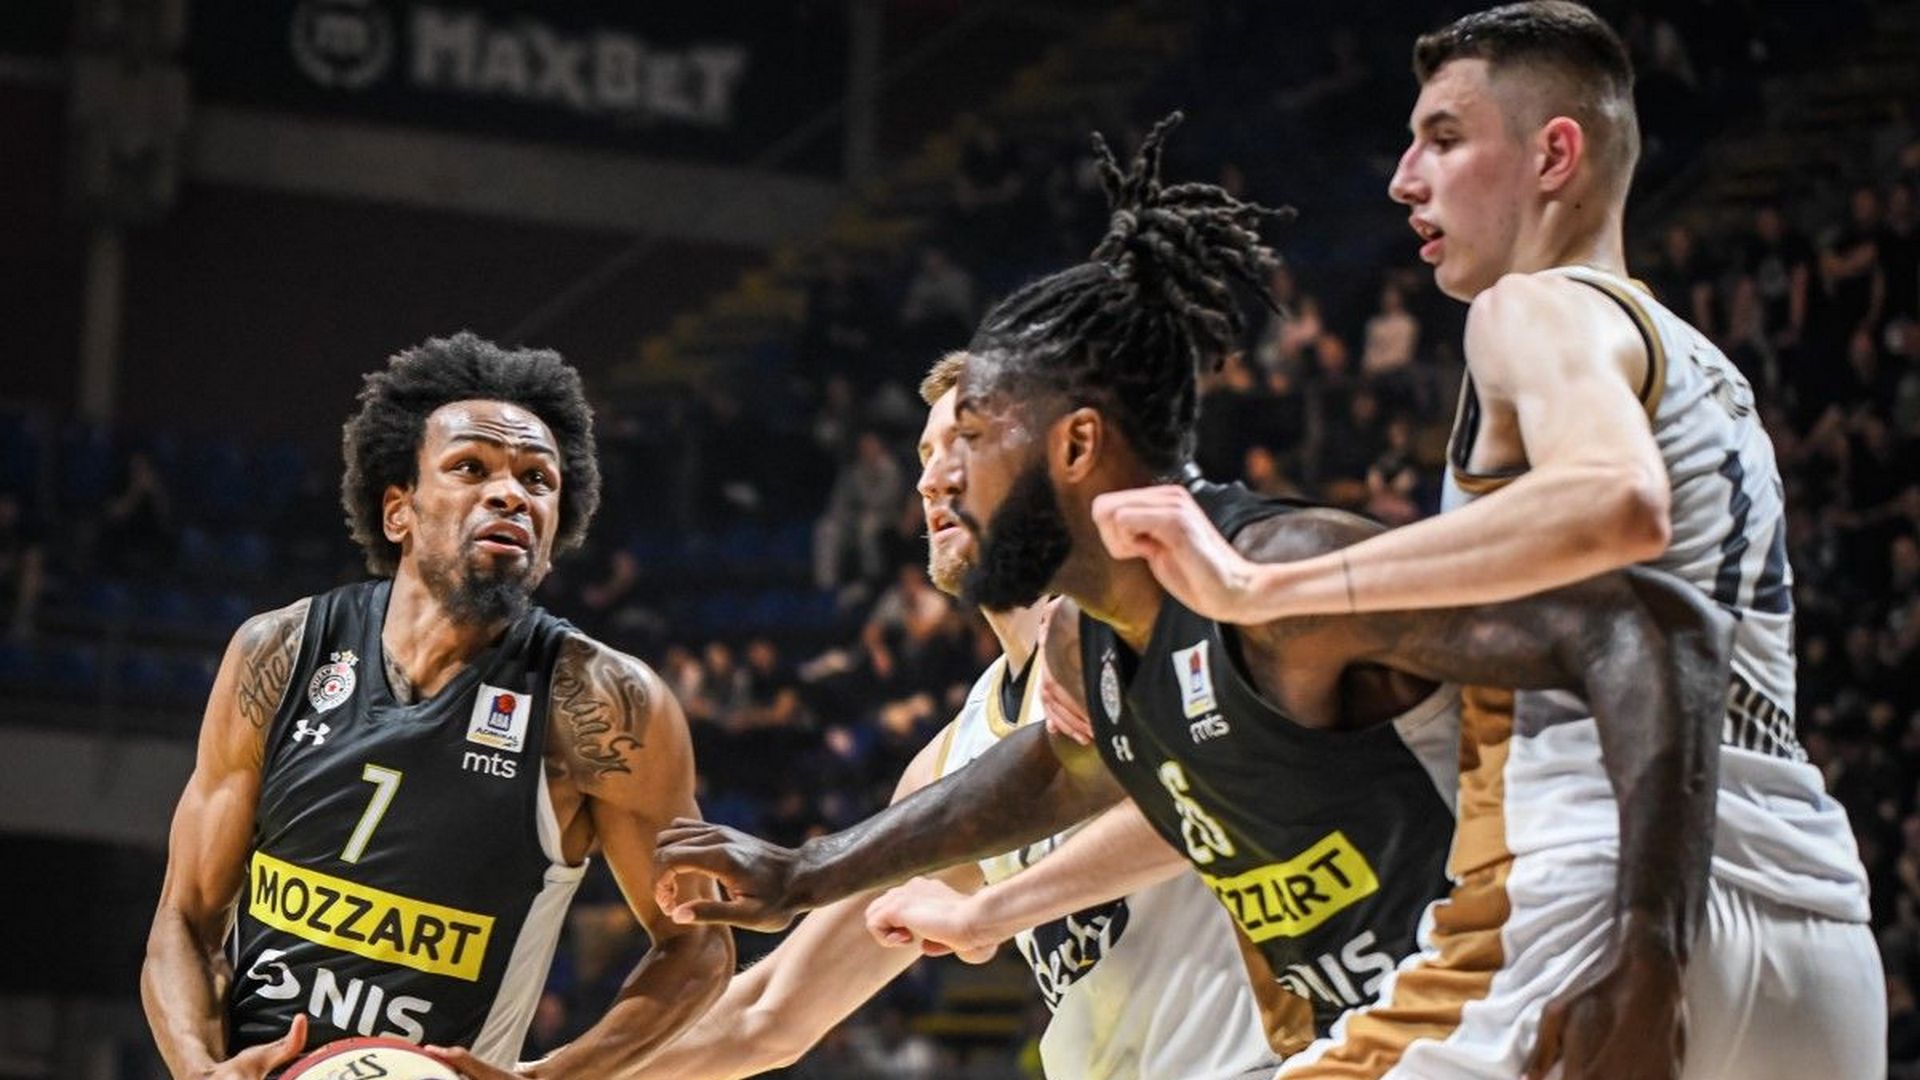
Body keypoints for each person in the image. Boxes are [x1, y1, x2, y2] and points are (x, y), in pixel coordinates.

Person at [654, 113, 1730, 1068]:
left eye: (970, 439)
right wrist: (806, 871)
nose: (937, 477)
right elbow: (1049, 777)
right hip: (1382, 1034)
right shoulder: (1089, 651)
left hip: (1522, 1000)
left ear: (1076, 445)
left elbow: (1649, 630)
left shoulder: (1283, 574)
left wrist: (1651, 951)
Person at [1085, 5, 1881, 1078]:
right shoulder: (1707, 370)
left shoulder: (1531, 309)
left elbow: (1615, 498)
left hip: (1591, 900)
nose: (1403, 179)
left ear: (1555, 155)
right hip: (1814, 936)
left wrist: (1259, 589)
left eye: (1445, 139)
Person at [646, 352, 1278, 1080]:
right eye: (925, 454)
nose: (931, 479)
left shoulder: (1147, 628)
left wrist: (991, 912)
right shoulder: (957, 755)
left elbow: (1208, 801)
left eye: (968, 442)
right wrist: (568, 1071)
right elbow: (769, 1014)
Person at [139, 333, 733, 1078]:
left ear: (555, 533)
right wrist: (198, 1069)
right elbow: (186, 919)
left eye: (538, 479)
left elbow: (697, 943)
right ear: (399, 511)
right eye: (471, 468)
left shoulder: (606, 703)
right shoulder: (280, 653)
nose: (511, 494)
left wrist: (554, 1077)